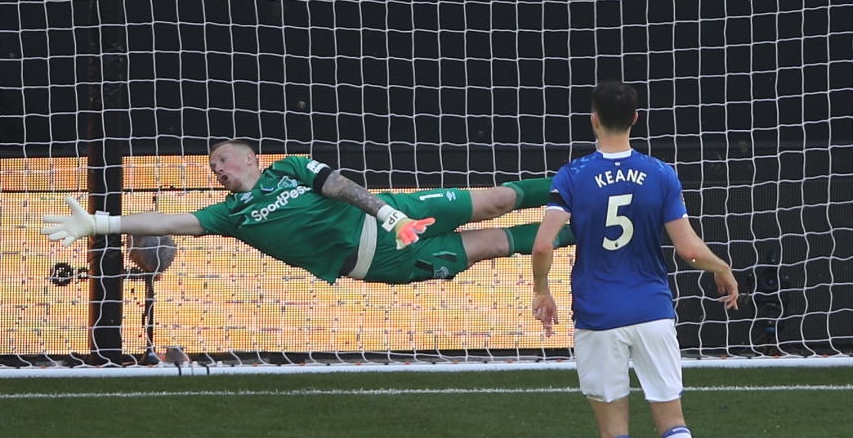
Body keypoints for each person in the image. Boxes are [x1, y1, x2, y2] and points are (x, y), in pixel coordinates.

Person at [530, 81, 740, 438]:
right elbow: (688, 250)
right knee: (671, 416)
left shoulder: (573, 175)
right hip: (652, 311)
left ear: (593, 119)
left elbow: (543, 244)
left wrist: (542, 290)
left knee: (614, 430)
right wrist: (721, 267)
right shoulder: (660, 173)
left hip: (598, 315)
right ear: (636, 120)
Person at [42, 139, 574, 284]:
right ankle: (587, 229)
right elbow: (165, 222)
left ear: (252, 157)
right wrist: (100, 223)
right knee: (496, 243)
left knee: (499, 200)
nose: (217, 170)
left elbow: (338, 185)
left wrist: (388, 215)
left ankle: (583, 185)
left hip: (395, 212)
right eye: (213, 168)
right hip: (381, 261)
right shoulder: (232, 214)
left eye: (223, 160)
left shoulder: (290, 168)